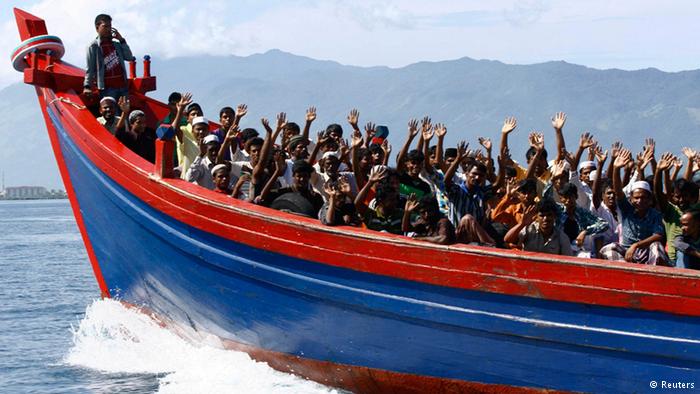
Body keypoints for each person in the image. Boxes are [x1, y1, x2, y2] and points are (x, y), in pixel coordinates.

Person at [599, 148, 670, 266]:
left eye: (643, 198)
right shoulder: (627, 209)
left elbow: (658, 235)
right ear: (631, 199)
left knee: (657, 247)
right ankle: (624, 272)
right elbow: (618, 191)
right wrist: (616, 169)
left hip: (646, 251)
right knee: (608, 249)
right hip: (627, 252)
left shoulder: (654, 214)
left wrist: (637, 245)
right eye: (636, 198)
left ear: (649, 199)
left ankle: (652, 276)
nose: (640, 201)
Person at [83, 14, 134, 102]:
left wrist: (121, 40)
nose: (108, 29)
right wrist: (87, 86)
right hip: (107, 89)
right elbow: (90, 69)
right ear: (97, 28)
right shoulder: (93, 46)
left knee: (125, 112)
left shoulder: (116, 45)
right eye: (105, 26)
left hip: (123, 86)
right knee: (113, 114)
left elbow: (129, 57)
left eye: (110, 26)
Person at [504, 199, 573, 256]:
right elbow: (507, 239)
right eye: (542, 215)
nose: (545, 218)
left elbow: (568, 262)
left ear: (554, 216)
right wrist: (522, 224)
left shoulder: (561, 237)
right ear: (536, 217)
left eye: (549, 215)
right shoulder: (529, 229)